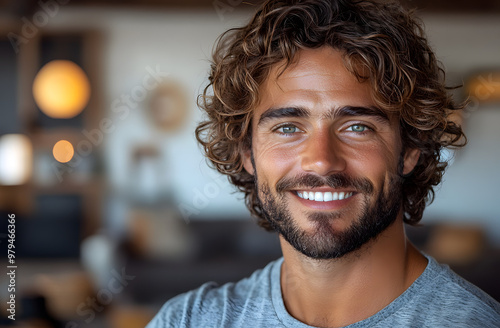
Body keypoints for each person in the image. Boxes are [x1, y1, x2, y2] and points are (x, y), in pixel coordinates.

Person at [147, 0, 500, 327]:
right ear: (247, 153)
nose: (321, 161)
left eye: (357, 127)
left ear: (410, 149)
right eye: (287, 127)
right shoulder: (187, 320)